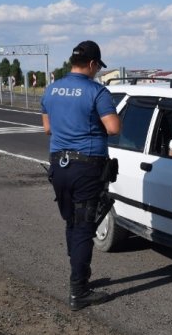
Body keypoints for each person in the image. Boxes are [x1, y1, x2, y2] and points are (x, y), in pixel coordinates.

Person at [41, 40, 121, 311]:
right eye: (98, 66)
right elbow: (113, 128)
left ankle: (80, 273)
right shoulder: (97, 92)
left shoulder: (51, 89)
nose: (97, 70)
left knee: (72, 222)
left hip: (58, 165)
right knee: (85, 227)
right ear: (91, 64)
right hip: (86, 166)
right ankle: (79, 291)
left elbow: (47, 128)